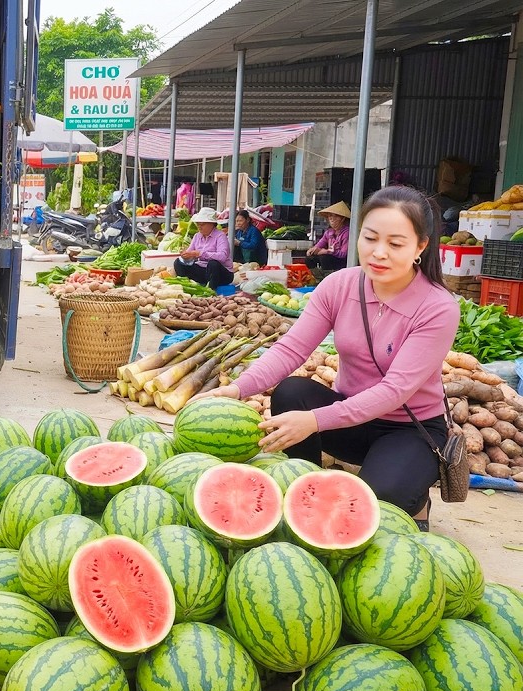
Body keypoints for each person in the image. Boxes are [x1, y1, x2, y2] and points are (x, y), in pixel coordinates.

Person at [191, 186, 458, 528]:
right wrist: (238, 389)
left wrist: (315, 421)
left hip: (409, 430)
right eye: (370, 238)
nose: (378, 253)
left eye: (395, 244)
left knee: (376, 505)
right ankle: (305, 487)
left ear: (420, 246)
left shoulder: (438, 307)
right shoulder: (339, 286)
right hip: (350, 419)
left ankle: (415, 495)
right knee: (291, 392)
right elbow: (292, 349)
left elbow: (395, 390)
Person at [174, 207, 234, 289]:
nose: (199, 227)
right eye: (198, 224)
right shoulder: (197, 236)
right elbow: (190, 252)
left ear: (212, 224)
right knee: (178, 262)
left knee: (213, 264)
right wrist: (186, 255)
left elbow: (222, 256)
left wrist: (200, 253)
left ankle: (211, 290)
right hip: (203, 270)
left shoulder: (220, 236)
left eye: (202, 224)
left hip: (222, 273)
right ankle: (186, 287)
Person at [306, 201, 351, 276]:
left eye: (336, 216)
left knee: (324, 258)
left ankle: (329, 277)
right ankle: (317, 277)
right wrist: (313, 250)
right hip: (331, 258)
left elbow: (343, 254)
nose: (332, 219)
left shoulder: (347, 232)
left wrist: (327, 251)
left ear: (342, 219)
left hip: (342, 261)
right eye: (330, 216)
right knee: (310, 258)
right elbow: (319, 244)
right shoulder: (329, 232)